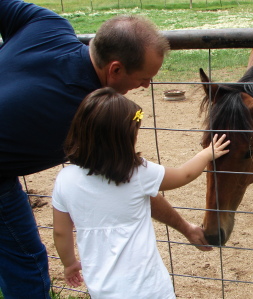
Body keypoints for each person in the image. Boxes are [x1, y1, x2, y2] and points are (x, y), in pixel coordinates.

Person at [0, 0, 170, 297]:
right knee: (27, 266)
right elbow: (130, 167)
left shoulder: (48, 24)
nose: (146, 86)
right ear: (115, 69)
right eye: (144, 78)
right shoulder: (91, 115)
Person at [52, 87, 230, 298]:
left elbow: (60, 232)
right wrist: (206, 154)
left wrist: (70, 263)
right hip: (150, 290)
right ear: (123, 140)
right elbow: (184, 175)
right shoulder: (137, 173)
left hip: (102, 291)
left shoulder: (65, 179)